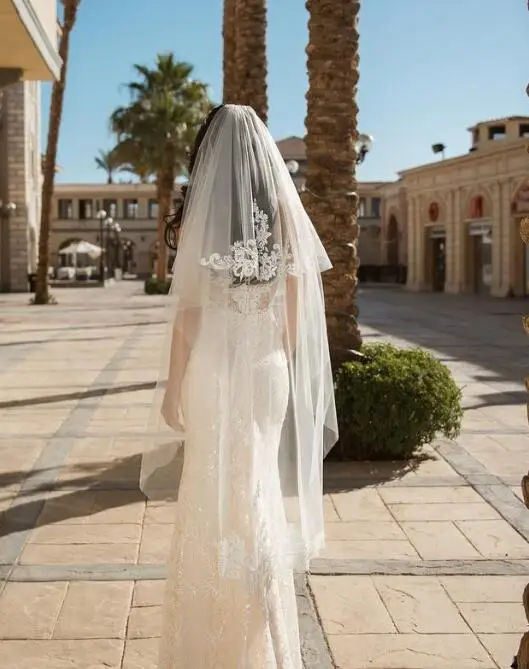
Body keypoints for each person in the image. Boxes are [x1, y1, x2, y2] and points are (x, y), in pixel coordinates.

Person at [140, 104, 337, 669]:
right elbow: (297, 315)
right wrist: (267, 348)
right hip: (265, 366)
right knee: (256, 491)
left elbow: (188, 315)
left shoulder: (197, 217)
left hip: (211, 366)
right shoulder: (282, 215)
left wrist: (172, 387)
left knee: (211, 492)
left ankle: (210, 639)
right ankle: (264, 636)